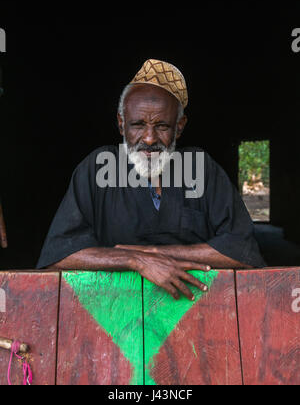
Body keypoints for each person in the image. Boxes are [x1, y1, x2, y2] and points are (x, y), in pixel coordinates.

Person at [36, 59, 265, 300]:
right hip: (110, 312)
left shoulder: (202, 167)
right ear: (121, 123)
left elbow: (243, 251)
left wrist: (158, 252)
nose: (148, 138)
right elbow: (59, 255)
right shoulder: (96, 167)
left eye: (162, 126)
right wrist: (136, 260)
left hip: (195, 309)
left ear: (179, 126)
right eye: (137, 124)